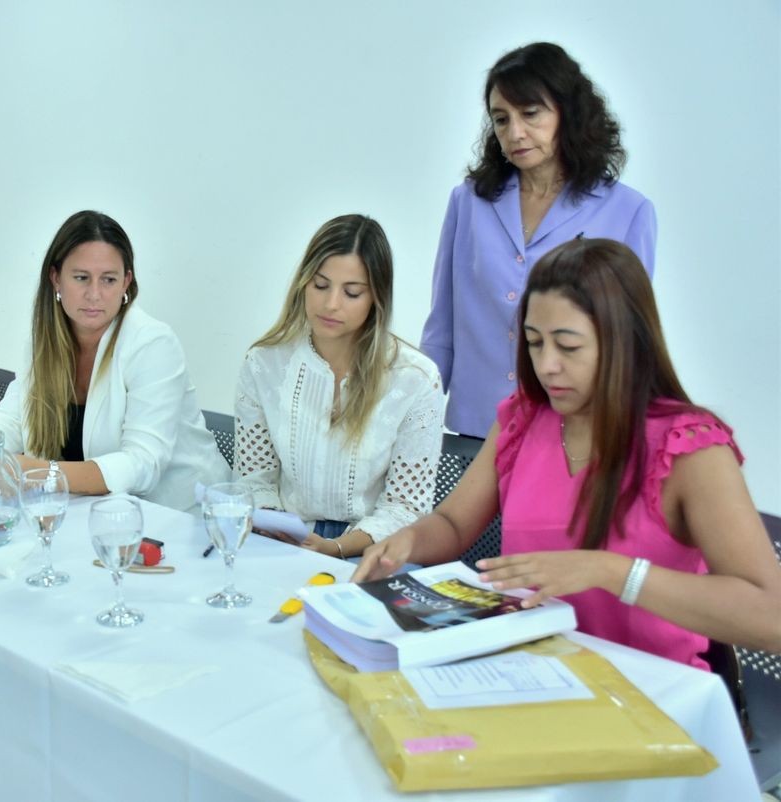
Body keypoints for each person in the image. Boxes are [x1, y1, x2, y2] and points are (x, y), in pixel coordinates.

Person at [354, 239, 781, 669]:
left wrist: (610, 572)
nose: (547, 365)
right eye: (535, 342)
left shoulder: (690, 447)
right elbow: (453, 524)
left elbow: (771, 617)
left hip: (648, 690)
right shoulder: (521, 419)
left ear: (625, 341)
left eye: (568, 346)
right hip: (530, 674)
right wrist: (409, 541)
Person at [420, 42, 657, 439]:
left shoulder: (629, 212)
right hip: (477, 425)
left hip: (572, 434)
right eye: (501, 119)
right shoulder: (469, 202)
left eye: (530, 113)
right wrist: (415, 418)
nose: (515, 133)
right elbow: (441, 326)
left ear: (569, 112)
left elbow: (630, 341)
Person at [0, 210, 228, 512]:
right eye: (81, 278)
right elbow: (15, 419)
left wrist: (36, 471)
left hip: (181, 517)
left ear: (126, 282)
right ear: (56, 278)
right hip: (89, 510)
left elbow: (142, 464)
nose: (94, 294)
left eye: (109, 279)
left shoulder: (152, 343)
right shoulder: (43, 340)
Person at [234, 214, 444, 560]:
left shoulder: (415, 379)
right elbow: (254, 480)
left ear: (376, 297)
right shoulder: (264, 364)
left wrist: (336, 548)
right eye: (320, 285)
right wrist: (280, 528)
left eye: (352, 292)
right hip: (283, 541)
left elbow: (406, 507)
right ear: (303, 283)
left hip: (373, 551)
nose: (331, 304)